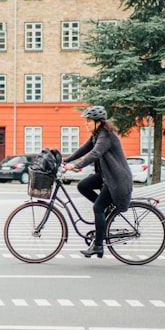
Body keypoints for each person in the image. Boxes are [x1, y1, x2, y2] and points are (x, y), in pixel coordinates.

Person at [63, 105, 134, 259]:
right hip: (106, 176)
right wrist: (65, 161)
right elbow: (84, 149)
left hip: (116, 179)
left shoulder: (106, 135)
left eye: (88, 121)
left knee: (97, 208)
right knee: (83, 186)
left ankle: (98, 246)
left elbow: (94, 153)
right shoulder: (97, 134)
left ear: (98, 122)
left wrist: (75, 165)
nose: (85, 123)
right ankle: (106, 208)